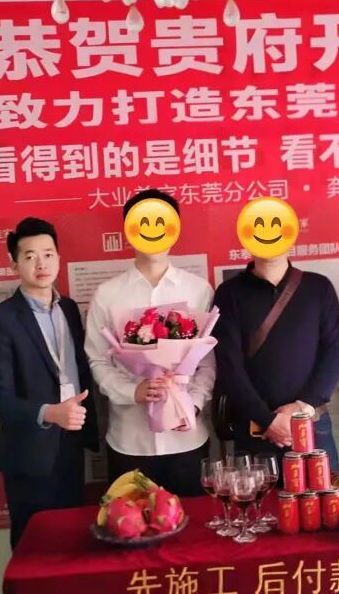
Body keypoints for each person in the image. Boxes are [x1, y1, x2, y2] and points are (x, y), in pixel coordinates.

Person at [85, 189, 215, 497]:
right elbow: (98, 360)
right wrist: (132, 391)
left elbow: (208, 362)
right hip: (130, 441)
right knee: (130, 523)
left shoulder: (199, 290)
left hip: (187, 439)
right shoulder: (107, 294)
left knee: (193, 524)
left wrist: (192, 405)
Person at [0, 217, 98, 549]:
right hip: (29, 452)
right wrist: (49, 413)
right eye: (30, 256)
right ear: (14, 264)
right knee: (35, 544)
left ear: (59, 258)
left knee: (72, 539)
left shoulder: (69, 309)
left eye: (48, 254)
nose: (41, 264)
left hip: (71, 443)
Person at [212, 248, 339, 472]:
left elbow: (334, 353)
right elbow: (228, 365)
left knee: (321, 493)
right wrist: (267, 420)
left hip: (311, 423)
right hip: (254, 427)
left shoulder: (318, 287)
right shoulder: (229, 293)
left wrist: (301, 407)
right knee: (259, 496)